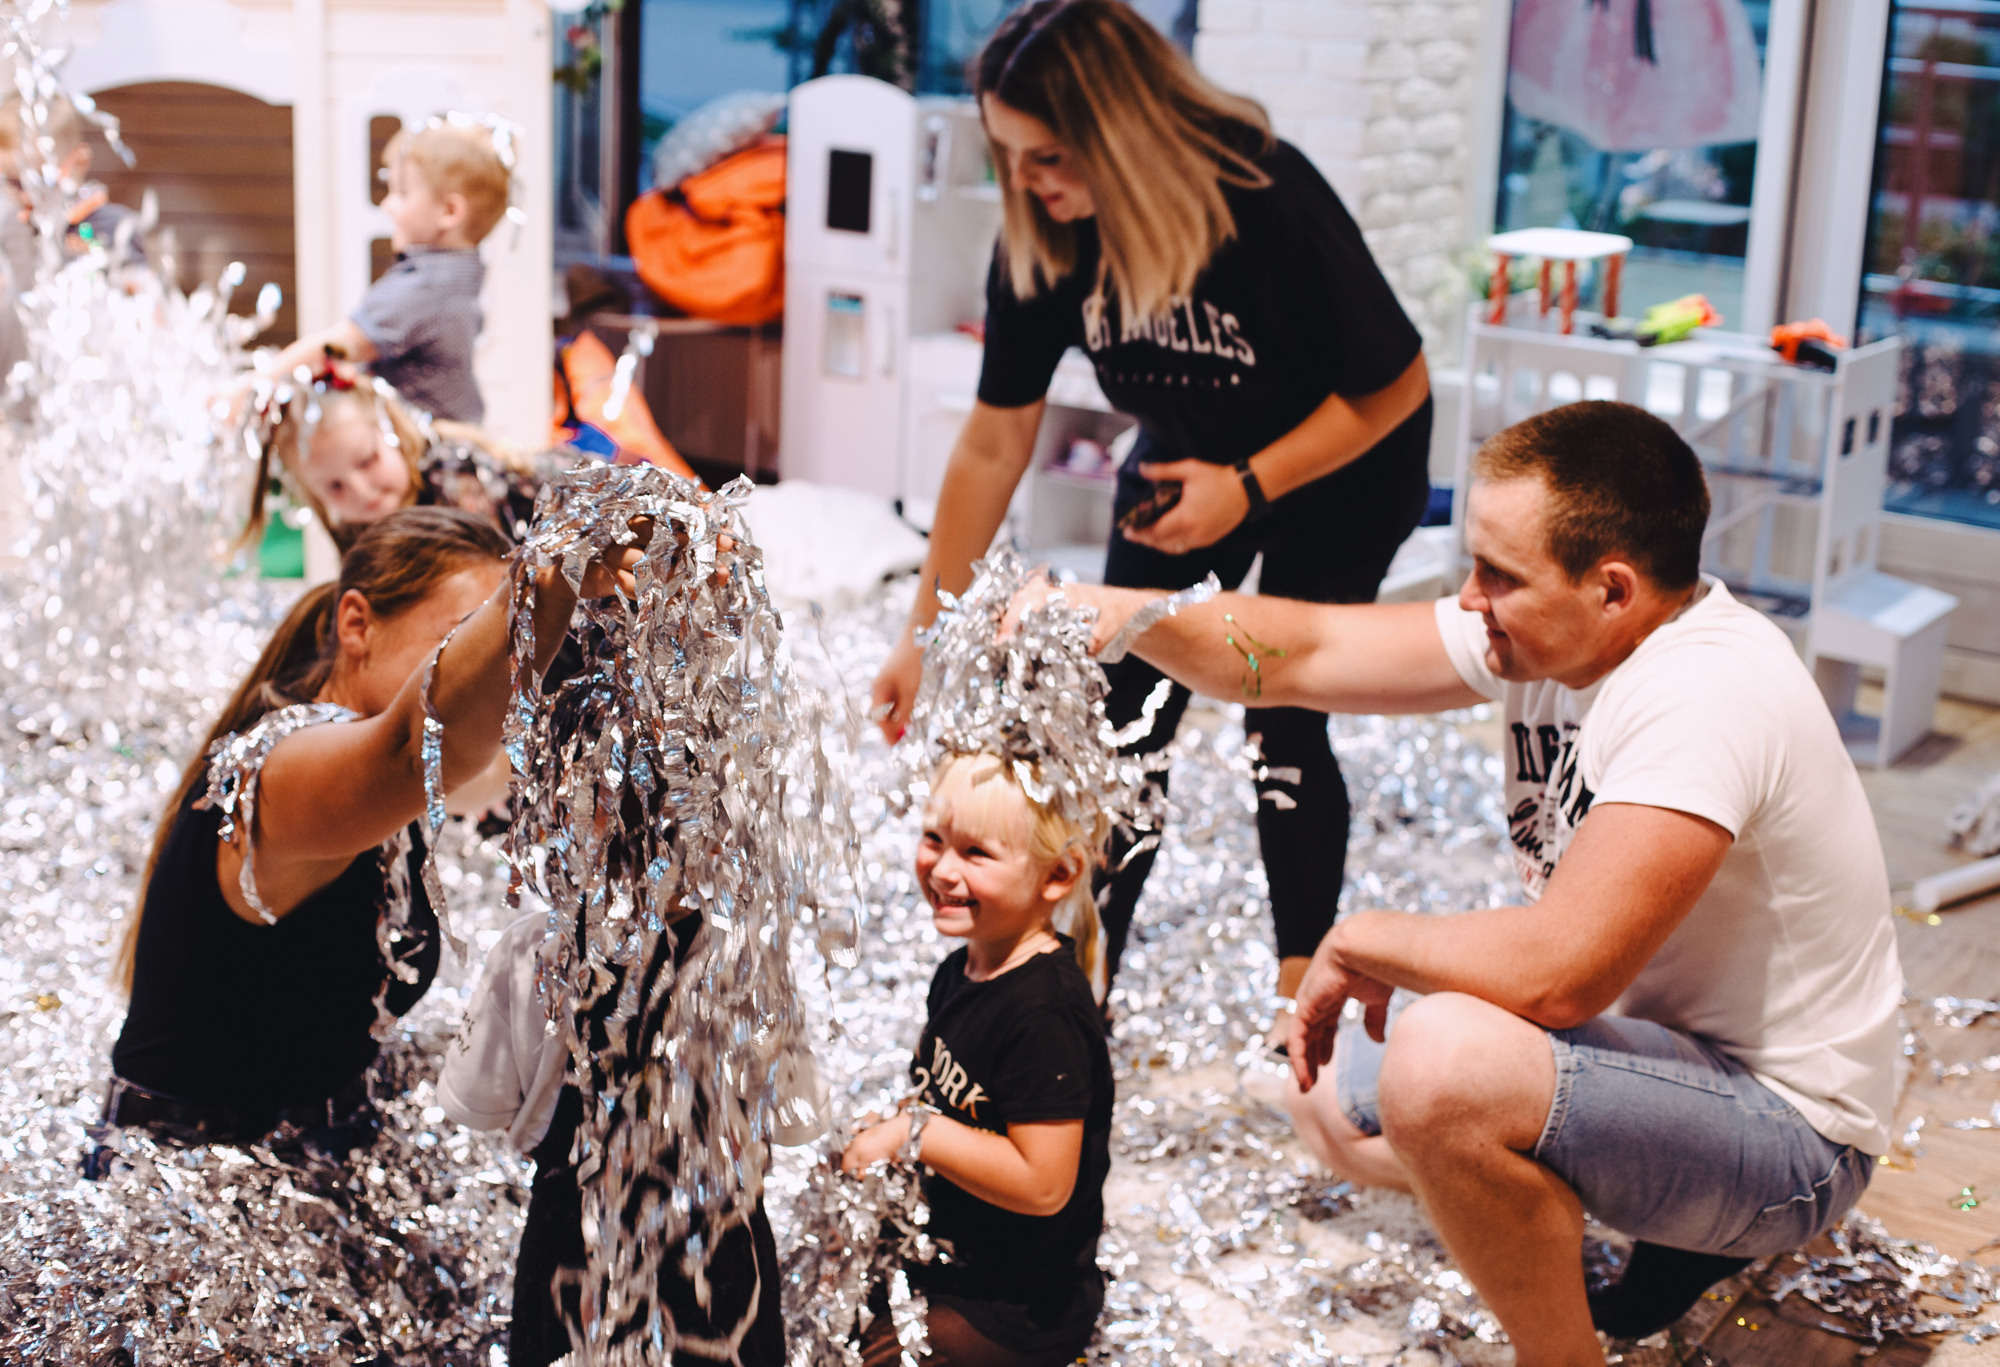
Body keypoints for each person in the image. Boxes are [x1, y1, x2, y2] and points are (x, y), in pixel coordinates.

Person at [1038, 402, 1903, 1362]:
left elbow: (1562, 972)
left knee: (1442, 1064)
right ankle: (1635, 1216)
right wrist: (1124, 613)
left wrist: (1360, 935)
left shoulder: (1705, 691)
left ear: (1612, 589)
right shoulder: (1545, 629)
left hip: (1791, 1137)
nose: (1470, 595)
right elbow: (1305, 653)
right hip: (1660, 1059)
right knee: (1326, 1096)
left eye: (1497, 574)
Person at [868, 0, 1435, 1047]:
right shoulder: (1044, 237)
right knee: (1122, 724)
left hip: (1341, 462)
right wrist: (921, 629)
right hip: (1183, 466)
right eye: (1009, 156)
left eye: (1048, 154)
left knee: (1282, 716)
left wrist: (1250, 485)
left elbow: (1394, 387)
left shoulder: (1264, 192)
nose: (1031, 181)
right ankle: (1078, 987)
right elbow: (994, 441)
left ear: (1121, 129)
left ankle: (1297, 988)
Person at [102, 506, 615, 1158]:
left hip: (321, 1153)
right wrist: (548, 586)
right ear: (356, 625)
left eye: (498, 648)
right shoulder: (284, 775)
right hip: (186, 1189)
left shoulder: (393, 769)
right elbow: (419, 749)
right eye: (466, 638)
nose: (491, 672)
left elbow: (502, 765)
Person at [841, 752, 1114, 1367]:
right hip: (956, 1254)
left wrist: (917, 1133)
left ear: (1058, 876)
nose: (941, 870)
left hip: (1020, 1306)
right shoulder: (963, 966)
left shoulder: (1044, 1015)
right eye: (934, 840)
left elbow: (1044, 1186)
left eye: (976, 854)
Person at [439, 911, 802, 1367]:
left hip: (604, 1257)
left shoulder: (535, 950)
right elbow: (791, 1118)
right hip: (674, 1263)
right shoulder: (749, 961)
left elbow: (483, 1103)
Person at [263, 116, 511, 423]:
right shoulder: (456, 271)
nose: (387, 206)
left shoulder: (427, 286)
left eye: (401, 193)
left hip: (432, 460)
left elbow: (335, 347)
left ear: (449, 212)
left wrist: (251, 389)